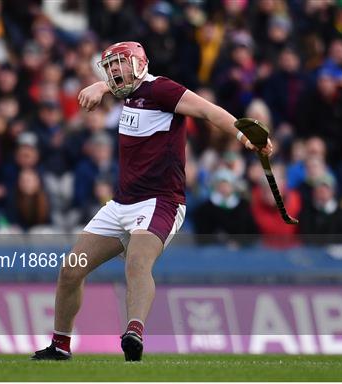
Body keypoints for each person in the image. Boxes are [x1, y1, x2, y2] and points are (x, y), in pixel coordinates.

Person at [32, 41, 272, 361]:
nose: (114, 71)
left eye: (120, 63)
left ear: (139, 63)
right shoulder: (127, 91)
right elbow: (121, 88)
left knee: (137, 260)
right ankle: (60, 345)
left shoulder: (162, 89)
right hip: (122, 203)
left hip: (161, 201)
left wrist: (243, 136)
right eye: (110, 66)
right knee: (70, 270)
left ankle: (134, 332)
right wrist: (102, 85)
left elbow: (207, 110)